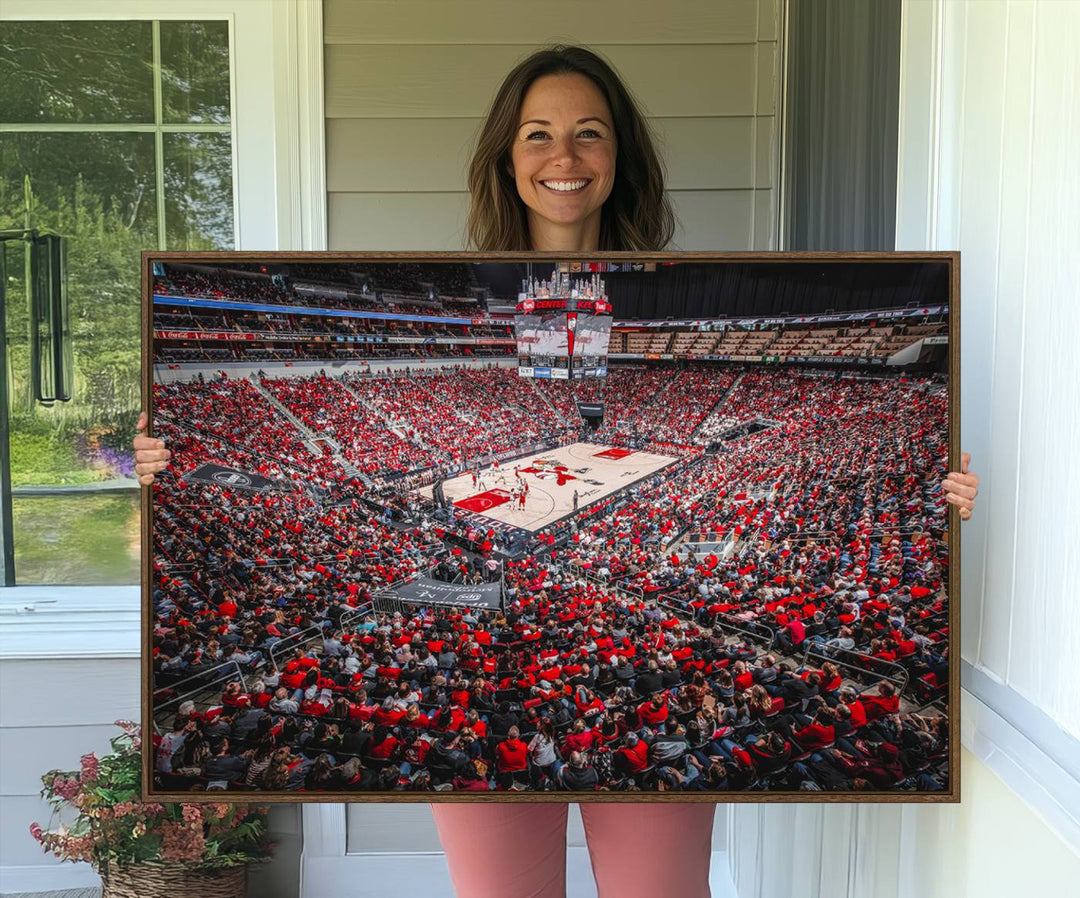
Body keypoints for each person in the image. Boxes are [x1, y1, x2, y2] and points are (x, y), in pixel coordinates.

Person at [133, 42, 981, 898]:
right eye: (537, 134)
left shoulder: (666, 284)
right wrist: (155, 461)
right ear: (506, 157)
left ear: (621, 157)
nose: (563, 156)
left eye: (589, 133)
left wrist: (941, 494)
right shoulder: (462, 285)